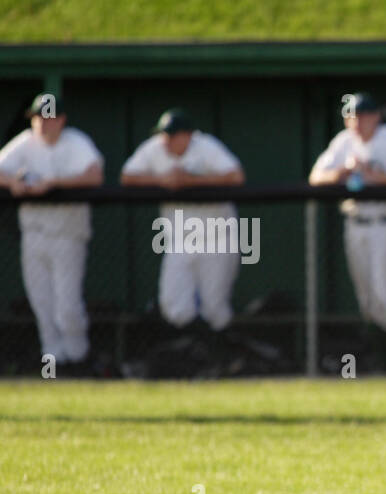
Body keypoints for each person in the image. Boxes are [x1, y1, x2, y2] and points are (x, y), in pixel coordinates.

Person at [309, 92, 386, 367]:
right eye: (350, 116)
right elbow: (315, 177)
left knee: (385, 295)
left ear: (375, 117)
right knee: (367, 300)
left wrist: (377, 177)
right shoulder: (344, 143)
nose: (357, 122)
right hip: (355, 223)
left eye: (362, 115)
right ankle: (381, 359)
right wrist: (341, 174)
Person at [0, 93, 104, 374]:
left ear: (61, 120)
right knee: (42, 306)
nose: (42, 125)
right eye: (37, 118)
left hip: (67, 234)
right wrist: (13, 183)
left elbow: (95, 175)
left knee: (66, 307)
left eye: (47, 118)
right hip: (34, 234)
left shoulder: (76, 142)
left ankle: (78, 359)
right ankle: (53, 367)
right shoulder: (25, 143)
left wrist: (54, 183)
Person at [121, 109, 245, 334]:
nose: (167, 140)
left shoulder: (206, 146)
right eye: (164, 135)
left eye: (173, 135)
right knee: (174, 307)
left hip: (217, 237)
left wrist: (190, 180)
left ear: (187, 135)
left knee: (215, 309)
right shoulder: (154, 148)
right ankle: (194, 351)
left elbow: (235, 176)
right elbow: (128, 176)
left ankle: (219, 358)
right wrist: (161, 180)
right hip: (179, 240)